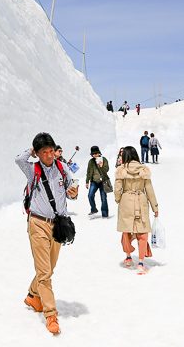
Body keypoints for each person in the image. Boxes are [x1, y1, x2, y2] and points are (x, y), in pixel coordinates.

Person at [16, 133, 79, 335]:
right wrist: (32, 150)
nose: (50, 155)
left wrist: (74, 191)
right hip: (38, 224)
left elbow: (73, 184)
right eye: (45, 152)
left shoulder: (62, 167)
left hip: (58, 225)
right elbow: (18, 159)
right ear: (38, 153)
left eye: (52, 150)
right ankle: (51, 314)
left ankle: (33, 296)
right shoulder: (32, 170)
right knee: (45, 272)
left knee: (49, 268)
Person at [114, 146, 158, 274]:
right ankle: (140, 262)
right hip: (141, 200)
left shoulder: (121, 170)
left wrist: (118, 199)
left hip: (126, 201)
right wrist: (155, 206)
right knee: (143, 233)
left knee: (126, 231)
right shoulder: (143, 169)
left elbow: (117, 189)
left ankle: (128, 258)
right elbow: (149, 189)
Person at [85, 146, 111, 218]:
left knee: (103, 198)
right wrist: (87, 181)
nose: (95, 155)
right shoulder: (91, 161)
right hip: (94, 182)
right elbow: (89, 172)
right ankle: (93, 209)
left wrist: (101, 166)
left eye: (96, 153)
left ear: (99, 153)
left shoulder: (104, 159)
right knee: (90, 195)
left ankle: (105, 214)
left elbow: (107, 169)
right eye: (93, 154)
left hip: (103, 181)